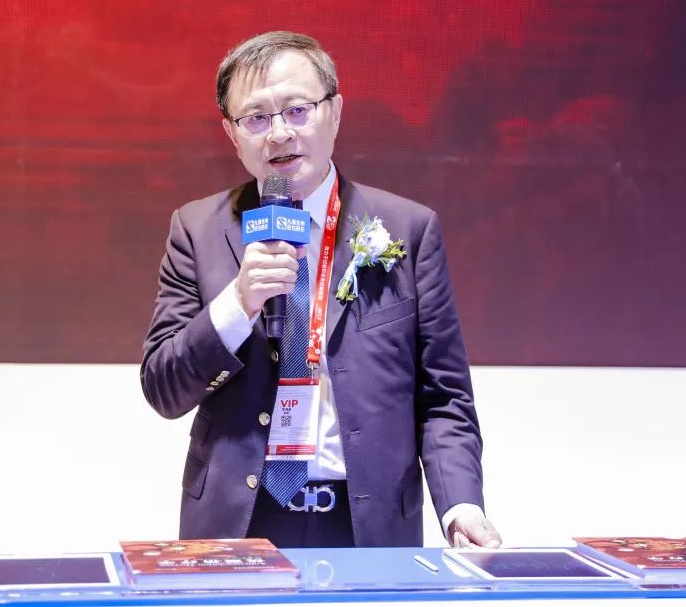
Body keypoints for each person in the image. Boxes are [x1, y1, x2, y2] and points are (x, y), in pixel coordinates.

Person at [141, 31, 501, 549]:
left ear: (335, 112)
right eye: (255, 118)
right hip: (239, 525)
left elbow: (444, 397)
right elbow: (164, 389)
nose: (278, 133)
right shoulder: (198, 231)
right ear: (231, 134)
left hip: (366, 526)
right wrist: (238, 304)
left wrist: (461, 506)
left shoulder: (407, 228)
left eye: (297, 110)